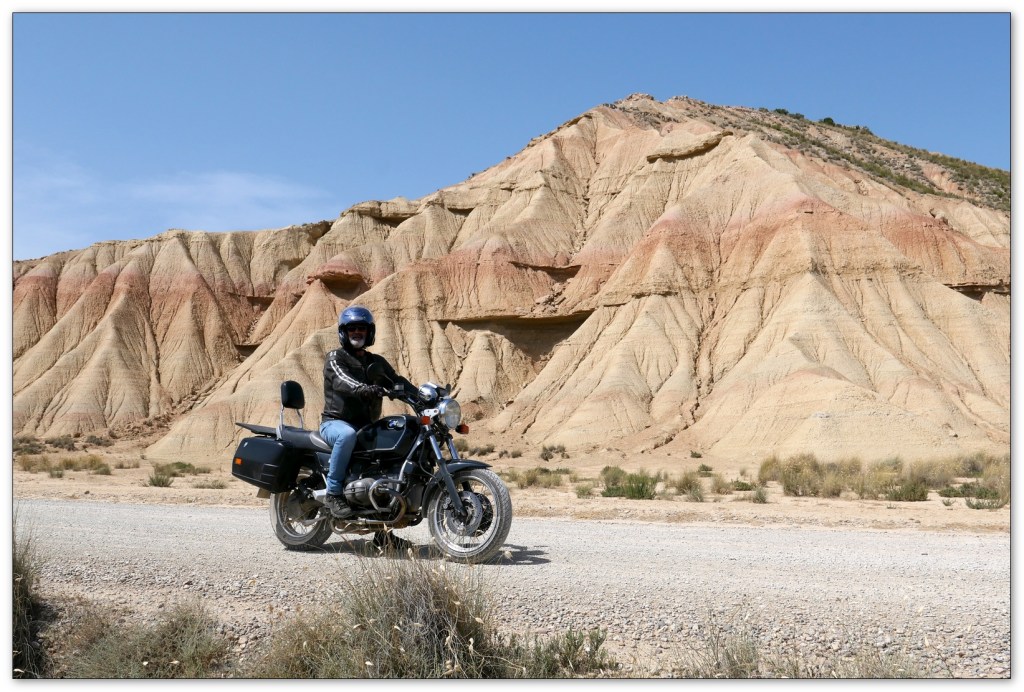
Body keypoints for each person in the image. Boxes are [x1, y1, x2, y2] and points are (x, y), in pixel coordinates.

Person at [320, 305, 412, 520]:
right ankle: (333, 493)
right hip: (335, 423)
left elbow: (396, 381)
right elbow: (343, 380)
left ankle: (384, 522)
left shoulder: (376, 362)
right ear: (344, 332)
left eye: (361, 328)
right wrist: (364, 388)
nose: (357, 332)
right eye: (352, 328)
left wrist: (424, 396)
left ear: (369, 332)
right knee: (346, 435)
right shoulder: (335, 357)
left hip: (366, 426)